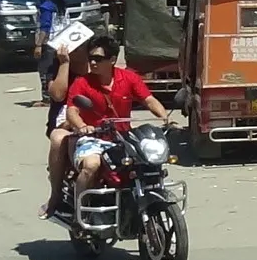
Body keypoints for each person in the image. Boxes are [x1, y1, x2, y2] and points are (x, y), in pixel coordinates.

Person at [62, 30, 174, 210]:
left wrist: (165, 118)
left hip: (122, 138)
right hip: (92, 139)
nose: (92, 62)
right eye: (90, 58)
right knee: (92, 164)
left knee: (148, 163)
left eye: (98, 59)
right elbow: (72, 111)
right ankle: (80, 208)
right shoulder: (82, 82)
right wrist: (83, 126)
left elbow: (149, 100)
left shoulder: (129, 78)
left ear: (112, 60)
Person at [39, 19, 96, 218]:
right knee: (58, 139)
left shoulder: (97, 65)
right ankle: (55, 195)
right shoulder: (56, 66)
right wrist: (64, 64)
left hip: (97, 118)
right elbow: (57, 95)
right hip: (65, 118)